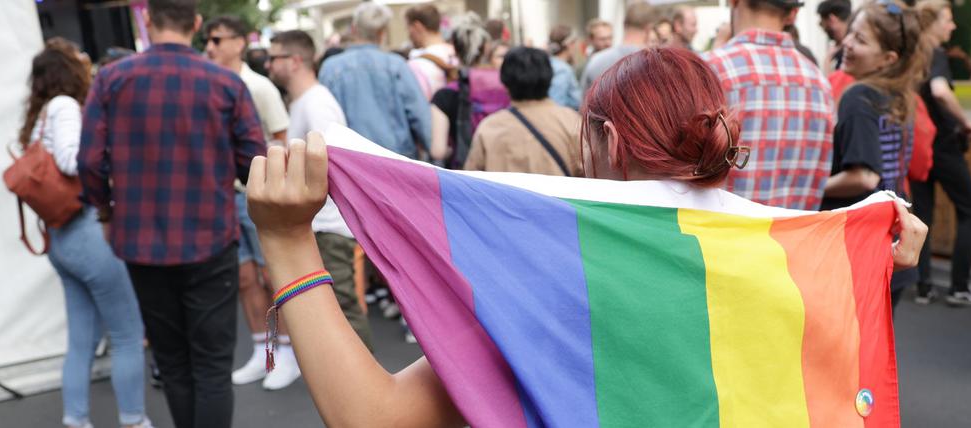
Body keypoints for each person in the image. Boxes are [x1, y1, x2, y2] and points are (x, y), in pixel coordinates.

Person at [244, 46, 928, 427]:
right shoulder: (789, 265)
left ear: (604, 141)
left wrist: (285, 243)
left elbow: (375, 421)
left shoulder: (561, 283)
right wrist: (864, 250)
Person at [76, 0, 266, 426]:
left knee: (173, 362)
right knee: (212, 366)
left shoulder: (111, 79)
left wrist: (106, 213)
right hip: (211, 238)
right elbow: (256, 163)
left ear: (146, 19)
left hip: (141, 242)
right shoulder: (226, 83)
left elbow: (88, 161)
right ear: (196, 24)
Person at [20, 39, 150, 428]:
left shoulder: (42, 113)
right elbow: (72, 159)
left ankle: (75, 419)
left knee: (82, 339)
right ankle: (134, 420)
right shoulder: (64, 106)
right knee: (128, 333)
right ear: (68, 71)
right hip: (89, 233)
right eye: (81, 62)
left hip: (62, 239)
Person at [265, 28, 374, 377]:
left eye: (275, 57)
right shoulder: (302, 102)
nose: (269, 64)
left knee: (343, 306)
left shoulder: (317, 102)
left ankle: (369, 390)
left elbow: (335, 164)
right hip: (318, 223)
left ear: (295, 61)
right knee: (331, 308)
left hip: (328, 224)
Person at [203, 14, 294, 389]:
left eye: (216, 39)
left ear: (238, 42)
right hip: (225, 195)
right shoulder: (208, 83)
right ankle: (263, 350)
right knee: (244, 277)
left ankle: (286, 353)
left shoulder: (259, 87)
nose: (209, 46)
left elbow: (282, 141)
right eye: (208, 39)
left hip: (256, 194)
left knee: (273, 275)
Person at [820, 0, 931, 308]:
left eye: (861, 40)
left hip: (860, 245)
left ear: (888, 58)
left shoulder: (858, 96)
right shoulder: (901, 97)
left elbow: (864, 176)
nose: (847, 43)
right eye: (851, 33)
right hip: (890, 240)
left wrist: (810, 188)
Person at [702, 0, 834, 211]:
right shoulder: (820, 84)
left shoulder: (709, 71)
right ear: (792, 14)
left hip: (719, 238)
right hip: (794, 240)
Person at [911, 0, 971, 306]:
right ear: (932, 24)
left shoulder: (911, 58)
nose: (952, 26)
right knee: (970, 213)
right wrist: (965, 121)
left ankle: (925, 287)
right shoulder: (935, 55)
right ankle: (959, 287)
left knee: (923, 215)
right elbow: (940, 90)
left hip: (919, 149)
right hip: (943, 147)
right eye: (948, 20)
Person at [318, 2, 431, 159]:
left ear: (354, 29)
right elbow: (420, 115)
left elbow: (324, 117)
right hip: (396, 159)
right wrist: (433, 154)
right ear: (381, 33)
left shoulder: (330, 68)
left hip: (349, 160)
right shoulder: (395, 64)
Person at [464, 47, 582, 176]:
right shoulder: (572, 121)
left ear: (505, 82)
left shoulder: (489, 128)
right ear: (549, 77)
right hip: (557, 197)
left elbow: (472, 182)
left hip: (505, 196)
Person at [431, 14, 510, 168]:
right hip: (505, 172)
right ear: (487, 48)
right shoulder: (507, 87)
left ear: (454, 46)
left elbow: (437, 151)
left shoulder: (445, 95)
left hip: (466, 176)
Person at [580, 2, 658, 95]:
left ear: (624, 24)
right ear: (649, 28)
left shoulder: (596, 61)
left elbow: (584, 105)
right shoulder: (654, 62)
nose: (607, 42)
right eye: (602, 39)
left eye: (609, 37)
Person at [405, 4, 458, 99]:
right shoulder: (458, 54)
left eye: (408, 28)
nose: (408, 34)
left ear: (417, 26)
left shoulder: (416, 65)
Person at [547, 25, 581, 110]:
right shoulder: (562, 69)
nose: (577, 47)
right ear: (569, 44)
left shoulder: (552, 63)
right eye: (575, 42)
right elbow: (557, 103)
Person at [817, 0, 851, 71]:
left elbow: (834, 81)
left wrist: (827, 61)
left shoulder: (847, 51)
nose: (823, 29)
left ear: (831, 19)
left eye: (821, 23)